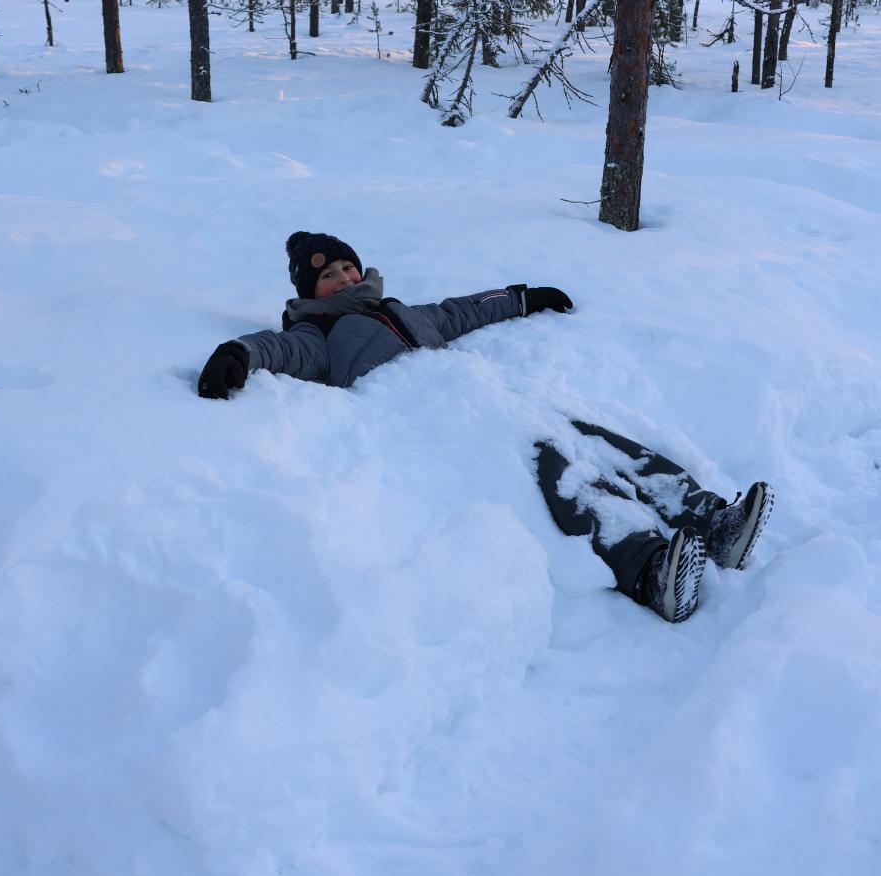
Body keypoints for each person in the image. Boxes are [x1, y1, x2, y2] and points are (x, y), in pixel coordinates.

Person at [198, 231, 773, 624]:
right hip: (437, 415)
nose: (345, 277)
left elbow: (465, 309)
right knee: (559, 471)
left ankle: (708, 518)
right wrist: (238, 355)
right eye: (329, 275)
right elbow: (278, 350)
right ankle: (648, 571)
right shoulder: (317, 334)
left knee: (598, 440)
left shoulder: (404, 310)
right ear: (309, 292)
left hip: (484, 393)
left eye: (349, 265)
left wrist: (521, 297)